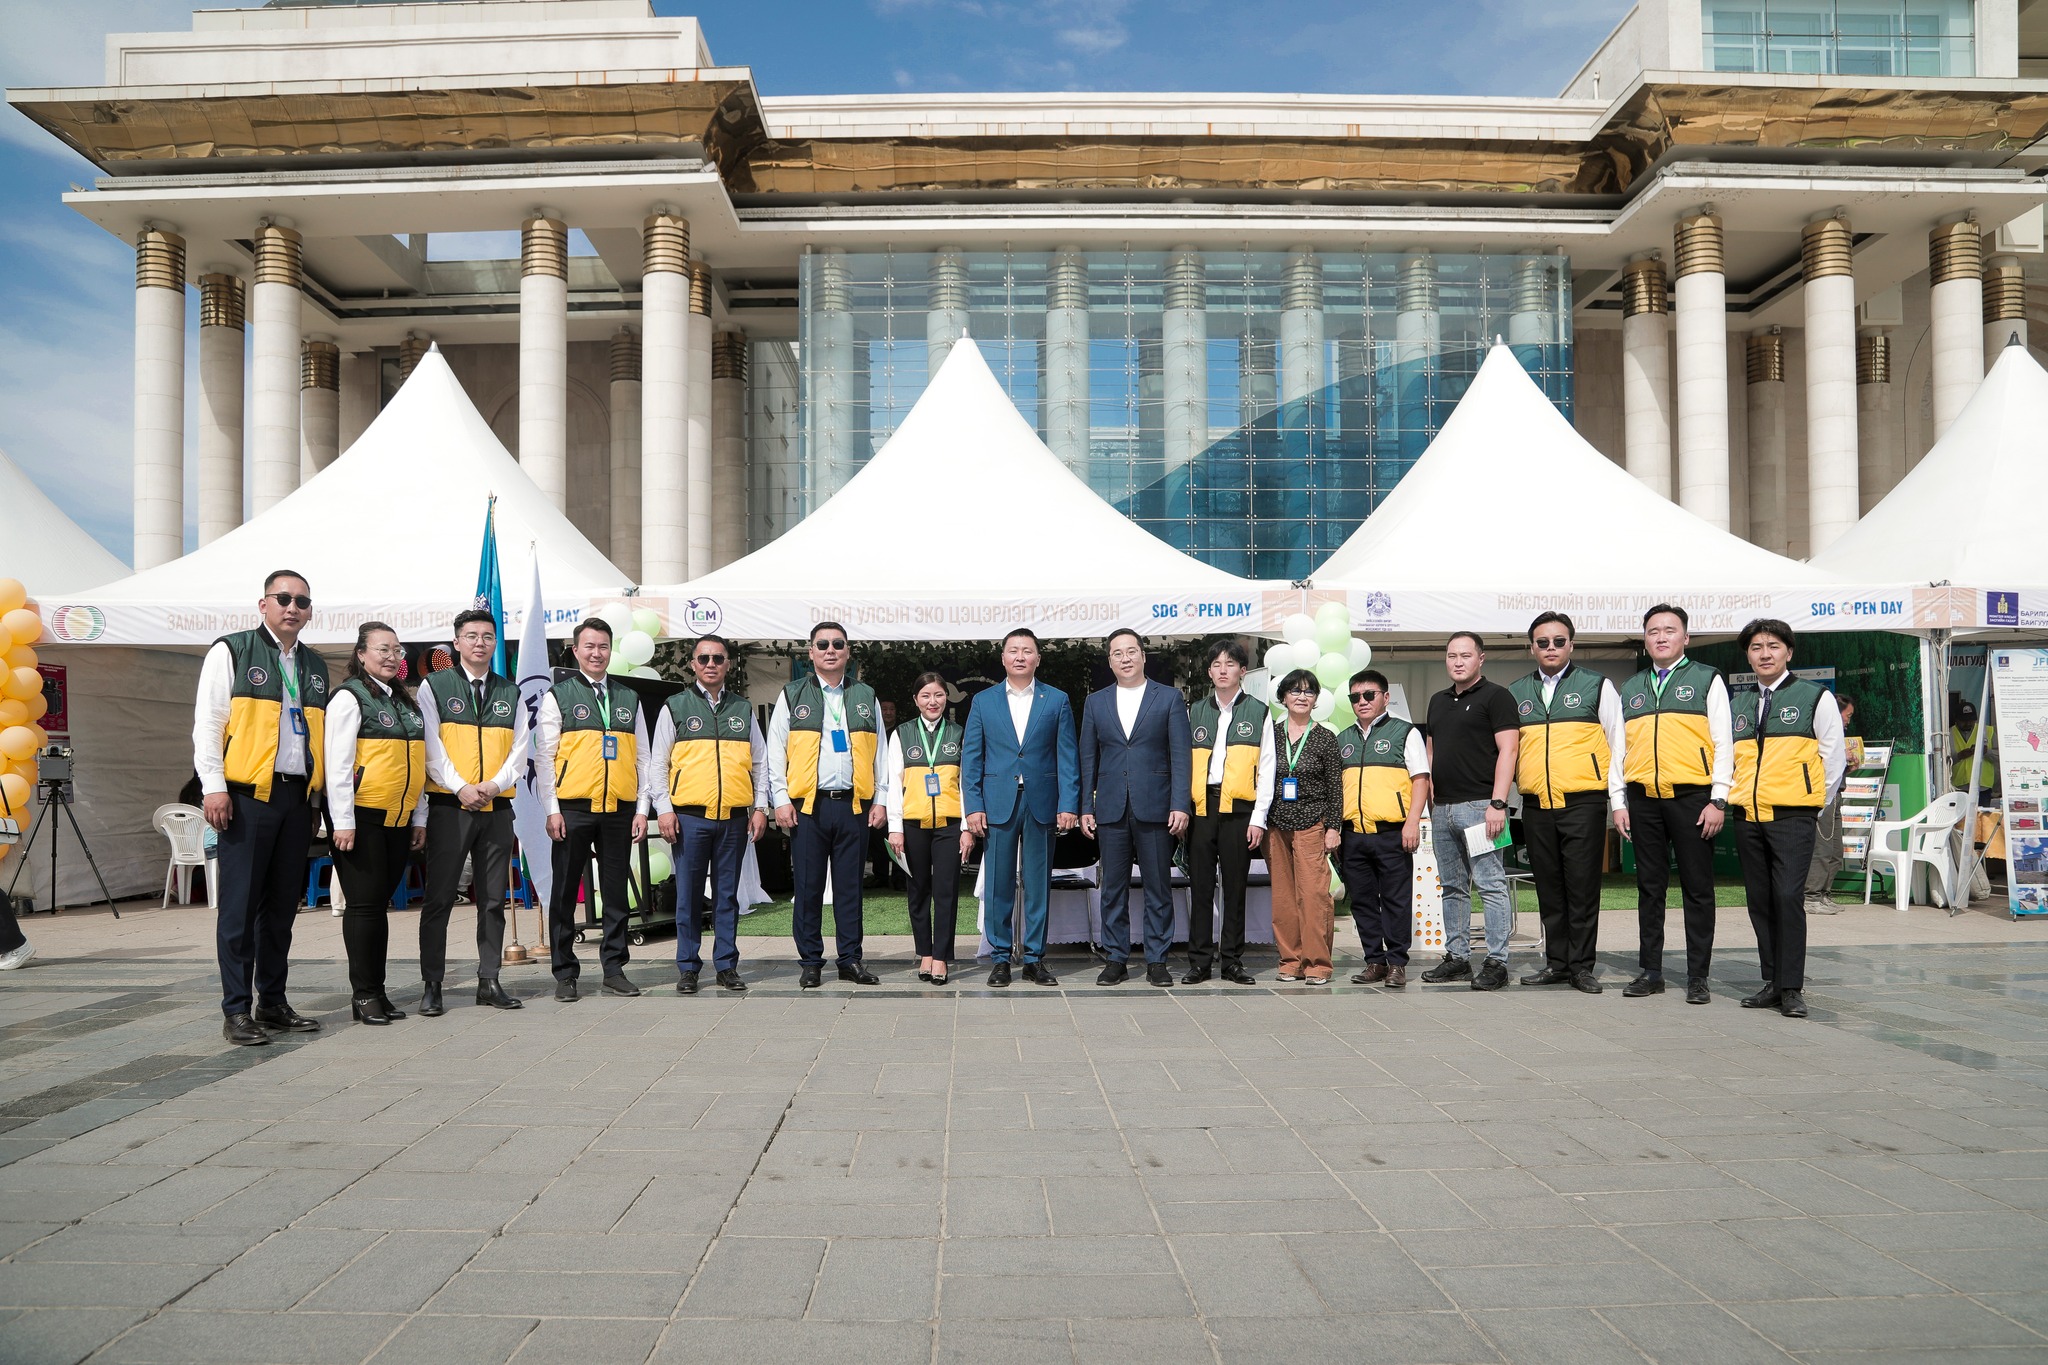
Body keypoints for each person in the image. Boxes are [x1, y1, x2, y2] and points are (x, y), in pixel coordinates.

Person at [194, 570, 329, 1046]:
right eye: (284, 598)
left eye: (303, 601)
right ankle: (236, 1010)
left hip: (296, 800)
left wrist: (317, 799)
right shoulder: (232, 650)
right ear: (263, 604)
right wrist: (214, 787)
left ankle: (272, 1001)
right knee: (239, 909)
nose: (293, 607)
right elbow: (209, 723)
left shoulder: (314, 664)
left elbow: (318, 737)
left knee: (280, 912)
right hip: (247, 798)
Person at [1729, 618, 1846, 1020]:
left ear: (1789, 652)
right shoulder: (1739, 703)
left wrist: (1813, 803)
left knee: (1787, 897)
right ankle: (1772, 981)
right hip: (1747, 816)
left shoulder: (1815, 697)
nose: (1764, 654)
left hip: (1793, 816)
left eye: (1773, 646)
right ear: (1748, 655)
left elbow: (1834, 757)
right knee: (1760, 901)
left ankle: (1792, 987)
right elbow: (1728, 758)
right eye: (1757, 647)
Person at [1615, 604, 1732, 1005]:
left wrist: (1718, 798)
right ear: (1645, 640)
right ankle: (1651, 971)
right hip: (1643, 799)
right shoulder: (1630, 688)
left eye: (1669, 630)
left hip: (1693, 799)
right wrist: (1619, 802)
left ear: (1686, 638)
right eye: (1653, 631)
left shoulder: (1706, 679)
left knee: (1698, 889)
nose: (1661, 637)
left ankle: (1698, 975)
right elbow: (1618, 750)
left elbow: (1723, 744)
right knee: (1650, 888)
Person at [418, 608, 529, 1014]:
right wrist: (461, 787)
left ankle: (489, 979)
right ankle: (432, 984)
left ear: (495, 643)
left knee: (493, 900)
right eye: (471, 636)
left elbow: (520, 750)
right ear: (457, 642)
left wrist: (493, 786)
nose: (479, 642)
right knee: (440, 898)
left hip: (497, 808)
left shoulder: (510, 692)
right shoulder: (434, 686)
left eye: (487, 636)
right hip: (451, 807)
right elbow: (432, 747)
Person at [767, 622, 890, 988]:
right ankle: (810, 961)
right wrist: (780, 798)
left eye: (838, 643)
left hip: (853, 805)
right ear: (811, 652)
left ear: (848, 651)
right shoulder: (792, 694)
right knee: (808, 887)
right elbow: (776, 750)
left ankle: (850, 959)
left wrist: (880, 799)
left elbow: (880, 752)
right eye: (823, 644)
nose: (830, 649)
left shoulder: (866, 695)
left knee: (850, 887)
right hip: (808, 807)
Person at [534, 617, 650, 1001]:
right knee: (566, 892)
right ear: (576, 650)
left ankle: (614, 969)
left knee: (617, 892)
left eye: (602, 646)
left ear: (610, 650)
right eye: (589, 646)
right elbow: (545, 757)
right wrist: (552, 809)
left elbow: (644, 759)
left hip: (618, 808)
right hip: (573, 808)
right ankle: (565, 973)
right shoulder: (558, 696)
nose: (596, 653)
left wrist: (641, 808)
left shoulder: (628, 698)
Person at [1510, 611, 1626, 994]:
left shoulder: (1596, 685)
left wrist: (1617, 799)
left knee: (1582, 886)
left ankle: (1581, 966)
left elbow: (1618, 744)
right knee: (1548, 887)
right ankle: (1557, 963)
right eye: (1543, 642)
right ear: (1532, 647)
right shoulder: (1517, 692)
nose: (1551, 648)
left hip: (1583, 803)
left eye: (1559, 641)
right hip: (1537, 806)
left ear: (1571, 645)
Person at [650, 633, 767, 995]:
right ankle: (688, 967)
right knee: (687, 896)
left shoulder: (743, 709)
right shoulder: (675, 706)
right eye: (704, 659)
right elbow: (658, 764)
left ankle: (727, 965)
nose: (711, 664)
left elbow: (761, 763)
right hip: (689, 818)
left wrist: (760, 806)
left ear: (728, 663)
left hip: (733, 817)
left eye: (718, 658)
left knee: (727, 896)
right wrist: (664, 810)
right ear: (693, 664)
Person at [961, 627, 1079, 987]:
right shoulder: (984, 701)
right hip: (997, 802)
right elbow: (972, 758)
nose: (1020, 657)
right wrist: (973, 806)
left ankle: (1034, 958)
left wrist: (1069, 803)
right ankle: (1000, 958)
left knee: (1038, 882)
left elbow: (1067, 756)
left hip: (1042, 801)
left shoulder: (1056, 699)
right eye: (1013, 650)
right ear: (1003, 658)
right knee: (998, 882)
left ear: (1037, 658)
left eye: (1027, 651)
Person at [324, 622, 428, 1026]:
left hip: (399, 821)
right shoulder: (350, 698)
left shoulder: (404, 702)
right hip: (363, 819)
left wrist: (419, 817)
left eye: (397, 650)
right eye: (382, 649)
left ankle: (378, 991)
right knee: (365, 907)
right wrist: (343, 821)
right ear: (361, 654)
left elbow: (417, 763)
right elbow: (338, 765)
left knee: (378, 908)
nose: (391, 656)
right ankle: (364, 994)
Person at [1079, 629, 1193, 987]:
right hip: (1111, 808)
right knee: (1112, 887)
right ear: (1109, 660)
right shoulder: (1095, 702)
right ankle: (1116, 957)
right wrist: (1085, 806)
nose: (1125, 658)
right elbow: (1087, 759)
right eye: (1117, 653)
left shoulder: (1169, 698)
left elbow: (1181, 756)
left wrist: (1180, 804)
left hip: (1157, 806)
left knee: (1158, 885)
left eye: (1131, 651)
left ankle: (1157, 960)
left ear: (1144, 656)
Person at [1421, 632, 1520, 992]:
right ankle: (1458, 958)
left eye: (1465, 655)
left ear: (1481, 658)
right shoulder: (1437, 701)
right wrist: (1431, 795)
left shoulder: (1497, 697)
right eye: (1451, 655)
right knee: (1451, 887)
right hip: (1443, 809)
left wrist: (1498, 803)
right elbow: (1431, 750)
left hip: (1481, 808)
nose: (1457, 661)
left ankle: (1497, 962)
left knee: (1490, 885)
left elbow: (1509, 751)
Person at [1338, 669, 1431, 988]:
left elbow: (1421, 779)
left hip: (1393, 832)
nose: (1361, 701)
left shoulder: (1405, 732)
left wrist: (1412, 822)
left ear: (1385, 697)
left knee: (1396, 899)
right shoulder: (1344, 738)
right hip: (1353, 835)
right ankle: (1374, 961)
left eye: (1369, 695)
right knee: (1362, 900)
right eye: (1355, 697)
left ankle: (1396, 963)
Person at [1184, 640, 1270, 985]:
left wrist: (1258, 818)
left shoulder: (1259, 711)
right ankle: (1199, 962)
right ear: (1209, 672)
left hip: (1239, 808)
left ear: (1242, 671)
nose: (1223, 669)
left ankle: (1232, 961)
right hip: (1202, 806)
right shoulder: (1195, 711)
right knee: (1201, 886)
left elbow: (1267, 768)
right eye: (1217, 664)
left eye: (1230, 664)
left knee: (1235, 888)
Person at [1251, 669, 1342, 984]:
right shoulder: (1271, 734)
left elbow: (1335, 788)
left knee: (1313, 895)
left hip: (1311, 824)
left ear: (1316, 699)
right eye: (1295, 691)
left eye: (1309, 692)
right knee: (1284, 898)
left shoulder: (1324, 737)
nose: (1302, 696)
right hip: (1276, 825)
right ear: (1283, 697)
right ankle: (1290, 959)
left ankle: (1318, 963)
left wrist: (1333, 827)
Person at [886, 673, 965, 986]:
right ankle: (925, 953)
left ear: (946, 698)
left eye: (939, 695)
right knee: (917, 892)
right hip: (912, 825)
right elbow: (893, 784)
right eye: (926, 696)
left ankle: (942, 957)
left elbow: (967, 783)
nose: (933, 702)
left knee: (946, 892)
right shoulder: (902, 734)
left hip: (950, 826)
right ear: (916, 700)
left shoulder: (959, 733)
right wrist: (895, 827)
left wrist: (968, 826)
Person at [1804, 694, 1858, 917]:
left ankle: (1824, 894)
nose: (1848, 720)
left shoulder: (1838, 736)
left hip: (1837, 794)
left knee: (1836, 850)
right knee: (1822, 848)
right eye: (1848, 715)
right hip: (1823, 795)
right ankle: (1810, 896)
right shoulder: (1819, 733)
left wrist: (1848, 765)